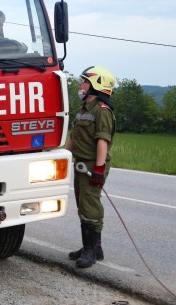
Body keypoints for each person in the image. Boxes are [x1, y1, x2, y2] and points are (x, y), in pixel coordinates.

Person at [65, 66, 117, 268]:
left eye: (84, 81)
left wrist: (98, 168)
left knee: (90, 206)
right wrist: (63, 156)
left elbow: (102, 142)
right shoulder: (84, 108)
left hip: (92, 165)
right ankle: (93, 246)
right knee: (83, 205)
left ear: (96, 85)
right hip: (81, 164)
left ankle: (91, 252)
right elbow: (74, 137)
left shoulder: (101, 111)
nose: (80, 84)